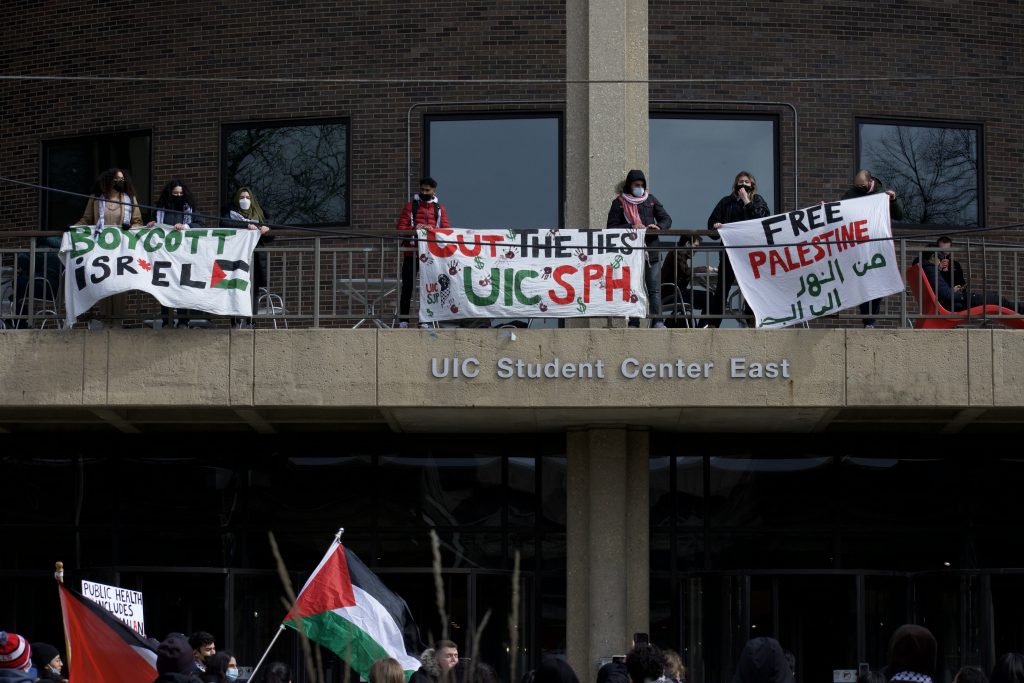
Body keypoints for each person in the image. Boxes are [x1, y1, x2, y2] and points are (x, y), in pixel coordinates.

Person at [77, 168, 144, 327]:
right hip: (101, 249)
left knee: (120, 283)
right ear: (108, 181)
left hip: (122, 249)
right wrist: (73, 229)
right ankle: (106, 321)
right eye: (116, 180)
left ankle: (118, 322)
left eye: (122, 179)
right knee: (103, 282)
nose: (120, 182)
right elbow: (86, 220)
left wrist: (130, 227)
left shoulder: (129, 199)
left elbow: (138, 222)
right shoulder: (96, 199)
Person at [607, 169, 672, 328]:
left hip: (651, 251)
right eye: (637, 185)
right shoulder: (619, 203)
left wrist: (657, 226)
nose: (640, 188)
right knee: (634, 287)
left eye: (642, 185)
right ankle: (634, 322)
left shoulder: (650, 199)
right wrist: (631, 226)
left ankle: (657, 321)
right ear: (630, 185)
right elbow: (611, 227)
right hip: (630, 254)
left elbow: (666, 219)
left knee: (654, 289)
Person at [706, 171, 770, 327]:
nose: (743, 184)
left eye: (747, 182)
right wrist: (716, 227)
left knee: (751, 286)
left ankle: (751, 318)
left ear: (752, 185)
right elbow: (711, 224)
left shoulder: (757, 200)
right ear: (735, 184)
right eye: (740, 181)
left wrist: (747, 201)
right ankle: (714, 322)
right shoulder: (726, 202)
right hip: (730, 253)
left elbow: (761, 220)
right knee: (722, 288)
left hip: (750, 253)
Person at [841, 170, 903, 328]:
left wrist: (893, 200)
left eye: (862, 185)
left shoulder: (883, 194)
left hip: (877, 247)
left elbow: (900, 215)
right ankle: (867, 320)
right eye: (857, 186)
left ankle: (870, 320)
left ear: (870, 182)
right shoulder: (851, 195)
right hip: (859, 247)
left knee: (877, 281)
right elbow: (839, 212)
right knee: (863, 281)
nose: (859, 188)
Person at [148, 178, 206, 328]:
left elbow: (201, 225)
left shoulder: (190, 210)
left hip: (183, 256)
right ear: (169, 194)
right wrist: (151, 225)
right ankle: (167, 321)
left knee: (182, 287)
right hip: (164, 255)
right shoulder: (159, 211)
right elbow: (150, 225)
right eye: (175, 193)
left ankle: (182, 321)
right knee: (164, 288)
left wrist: (186, 225)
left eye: (181, 193)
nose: (178, 196)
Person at [396, 177, 450, 328]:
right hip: (412, 252)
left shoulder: (439, 209)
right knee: (407, 287)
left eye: (427, 190)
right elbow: (400, 229)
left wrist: (433, 230)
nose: (424, 193)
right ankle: (404, 320)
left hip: (432, 255)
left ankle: (425, 321)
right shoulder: (410, 207)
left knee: (430, 288)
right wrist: (415, 229)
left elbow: (446, 231)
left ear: (434, 191)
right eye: (422, 190)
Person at [222, 187, 272, 329]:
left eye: (248, 198)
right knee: (235, 286)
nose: (245, 200)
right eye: (242, 197)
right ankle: (236, 321)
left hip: (255, 257)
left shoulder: (260, 214)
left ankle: (251, 320)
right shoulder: (230, 214)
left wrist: (266, 229)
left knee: (253, 289)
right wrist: (246, 225)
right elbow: (224, 224)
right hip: (236, 256)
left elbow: (271, 236)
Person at [921, 251, 1024, 313]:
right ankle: (1021, 309)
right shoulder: (930, 270)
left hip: (952, 303)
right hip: (960, 302)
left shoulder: (926, 270)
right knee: (998, 299)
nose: (941, 262)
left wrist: (952, 290)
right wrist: (964, 296)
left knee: (998, 300)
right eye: (940, 259)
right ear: (933, 257)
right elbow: (945, 294)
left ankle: (1020, 309)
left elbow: (942, 292)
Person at [661, 235, 710, 327]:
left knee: (709, 297)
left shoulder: (679, 254)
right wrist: (705, 269)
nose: (697, 250)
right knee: (709, 298)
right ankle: (703, 328)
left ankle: (703, 327)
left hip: (674, 294)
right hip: (672, 296)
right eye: (696, 246)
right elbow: (685, 272)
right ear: (687, 244)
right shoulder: (677, 253)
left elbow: (683, 274)